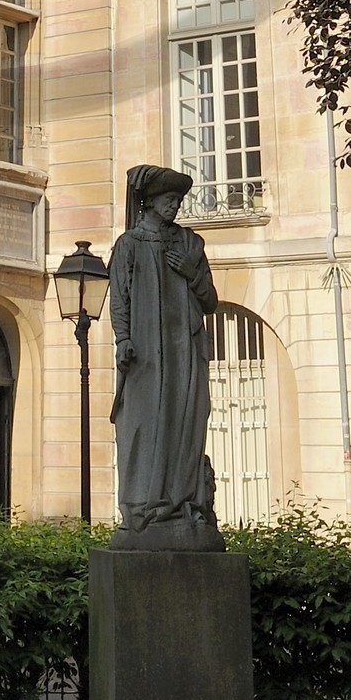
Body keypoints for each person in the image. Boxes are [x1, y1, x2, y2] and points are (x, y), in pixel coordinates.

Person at [108, 163, 224, 549]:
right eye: (167, 200)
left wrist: (193, 273)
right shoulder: (129, 245)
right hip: (145, 356)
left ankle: (182, 502)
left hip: (184, 353)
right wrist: (123, 339)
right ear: (150, 202)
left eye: (177, 200)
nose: (174, 206)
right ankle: (144, 505)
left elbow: (209, 301)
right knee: (144, 424)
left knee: (185, 423)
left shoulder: (191, 245)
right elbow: (120, 299)